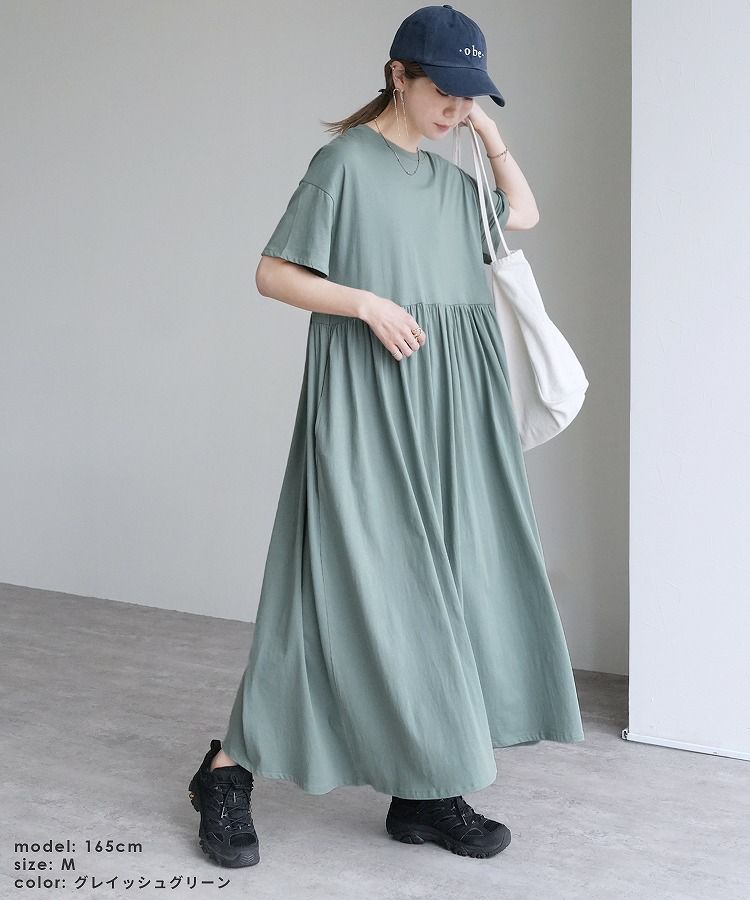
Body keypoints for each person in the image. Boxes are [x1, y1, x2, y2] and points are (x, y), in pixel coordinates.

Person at [187, 4, 585, 868]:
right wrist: (365, 302)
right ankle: (226, 769)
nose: (455, 109)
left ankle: (425, 788)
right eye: (444, 91)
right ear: (397, 75)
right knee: (338, 585)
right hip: (369, 398)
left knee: (450, 579)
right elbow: (272, 273)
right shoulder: (344, 164)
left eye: (470, 97)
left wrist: (485, 132)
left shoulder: (452, 181)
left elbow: (523, 214)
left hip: (456, 407)